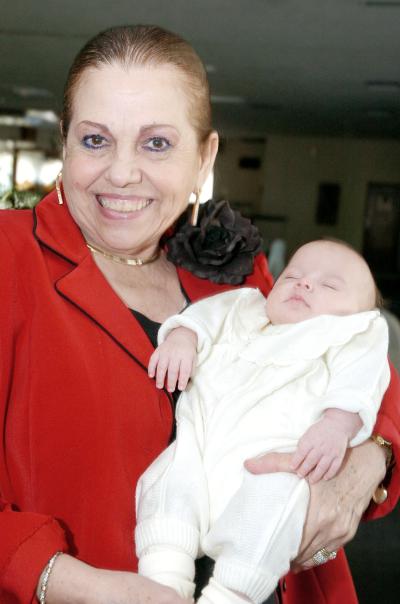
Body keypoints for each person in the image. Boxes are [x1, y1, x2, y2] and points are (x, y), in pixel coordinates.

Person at [0, 24, 398, 604]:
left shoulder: (237, 268)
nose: (122, 172)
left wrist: (367, 461)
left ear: (205, 155)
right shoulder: (11, 260)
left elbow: (361, 357)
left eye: (156, 143)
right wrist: (70, 584)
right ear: (64, 141)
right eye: (95, 140)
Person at [137, 239, 390, 604]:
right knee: (166, 482)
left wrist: (337, 425)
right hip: (200, 444)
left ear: (360, 315)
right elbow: (200, 319)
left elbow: (359, 385)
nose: (304, 284)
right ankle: (163, 581)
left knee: (275, 507)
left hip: (269, 464)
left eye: (329, 285)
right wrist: (183, 338)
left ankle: (230, 595)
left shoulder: (353, 335)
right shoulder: (245, 305)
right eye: (293, 275)